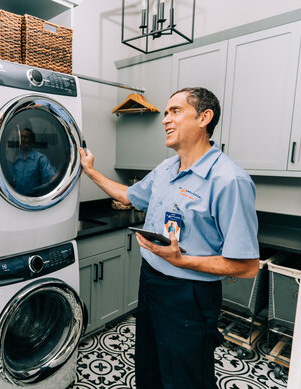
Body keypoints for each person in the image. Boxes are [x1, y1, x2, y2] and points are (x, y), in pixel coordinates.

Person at [79, 87, 260, 389]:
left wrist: (181, 260)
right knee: (149, 368)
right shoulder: (166, 168)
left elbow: (247, 266)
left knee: (185, 378)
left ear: (205, 117)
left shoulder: (230, 181)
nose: (165, 119)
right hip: (150, 282)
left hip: (188, 295)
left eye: (175, 111)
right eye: (165, 112)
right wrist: (91, 172)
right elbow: (128, 196)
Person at [11, 128, 56, 196]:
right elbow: (12, 182)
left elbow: (52, 179)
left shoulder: (40, 159)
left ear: (32, 141)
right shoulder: (17, 160)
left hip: (34, 200)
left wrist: (63, 168)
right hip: (17, 199)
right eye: (21, 137)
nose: (22, 139)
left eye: (26, 137)